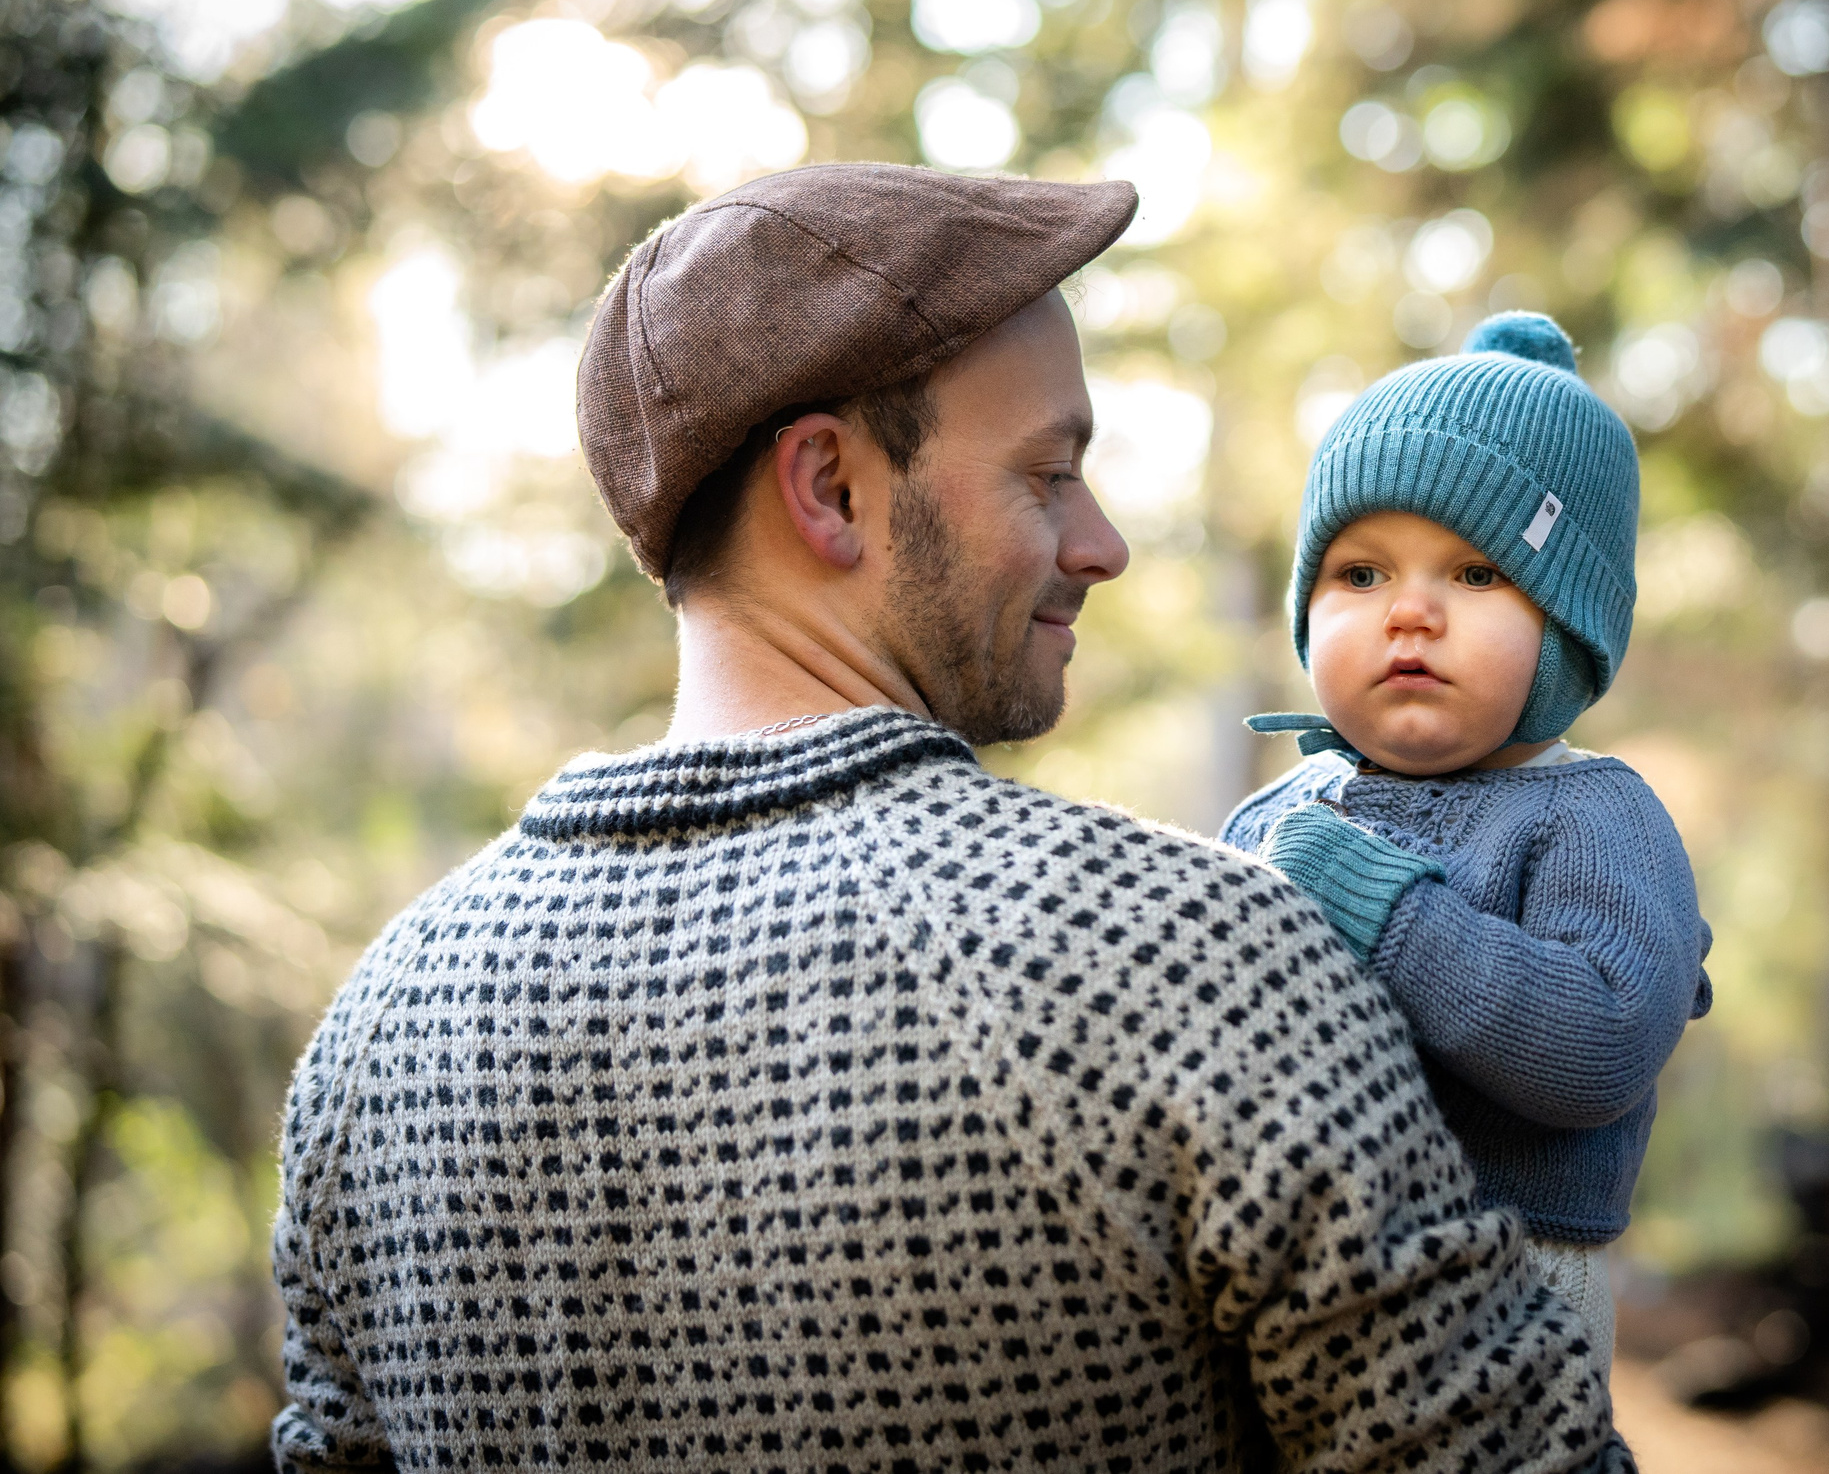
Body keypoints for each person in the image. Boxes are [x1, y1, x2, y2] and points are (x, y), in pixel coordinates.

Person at [268, 163, 1629, 1474]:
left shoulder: (375, 1036)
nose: (1103, 542)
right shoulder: (1180, 957)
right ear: (830, 487)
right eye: (1049, 473)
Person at [1219, 313, 1715, 1373]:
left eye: (1476, 575)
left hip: (1497, 1292)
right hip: (1282, 1275)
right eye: (1358, 574)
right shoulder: (1273, 816)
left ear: (1571, 627)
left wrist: (1386, 911)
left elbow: (1601, 1047)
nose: (1410, 613)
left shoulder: (1592, 819)